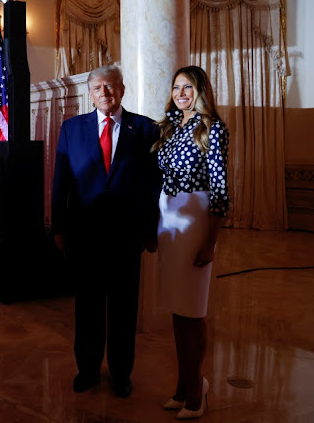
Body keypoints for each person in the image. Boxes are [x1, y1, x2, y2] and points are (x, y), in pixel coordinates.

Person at [52, 65, 161, 398]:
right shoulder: (72, 129)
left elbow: (153, 184)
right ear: (90, 93)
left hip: (127, 236)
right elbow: (61, 182)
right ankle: (86, 368)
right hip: (85, 235)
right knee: (87, 307)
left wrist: (149, 230)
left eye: (111, 87)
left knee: (124, 308)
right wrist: (58, 227)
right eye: (98, 88)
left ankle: (120, 373)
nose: (105, 93)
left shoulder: (145, 129)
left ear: (122, 90)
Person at [153, 66, 230, 419]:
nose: (181, 93)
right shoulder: (169, 127)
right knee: (177, 307)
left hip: (197, 216)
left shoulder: (212, 128)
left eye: (188, 87)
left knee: (193, 309)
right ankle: (184, 385)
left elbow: (220, 190)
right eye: (176, 87)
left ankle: (197, 389)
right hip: (168, 218)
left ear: (200, 90)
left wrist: (210, 242)